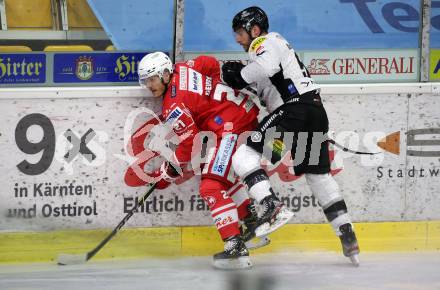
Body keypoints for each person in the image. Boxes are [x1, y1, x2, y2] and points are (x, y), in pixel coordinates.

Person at [221, 6, 360, 266]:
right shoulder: (275, 51)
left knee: (243, 158)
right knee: (318, 175)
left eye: (240, 33)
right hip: (313, 115)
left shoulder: (266, 41)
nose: (238, 39)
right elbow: (265, 80)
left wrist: (239, 75)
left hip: (292, 114)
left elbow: (264, 67)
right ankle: (347, 234)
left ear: (254, 29)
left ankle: (271, 206)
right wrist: (239, 78)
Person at [136, 52, 278, 269]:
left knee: (211, 187)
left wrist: (169, 170)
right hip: (240, 114)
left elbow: (187, 145)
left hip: (230, 127)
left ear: (166, 74)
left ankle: (235, 247)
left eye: (152, 78)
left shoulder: (173, 106)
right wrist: (207, 103)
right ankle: (250, 220)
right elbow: (209, 63)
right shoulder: (186, 67)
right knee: (215, 174)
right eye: (145, 80)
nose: (149, 85)